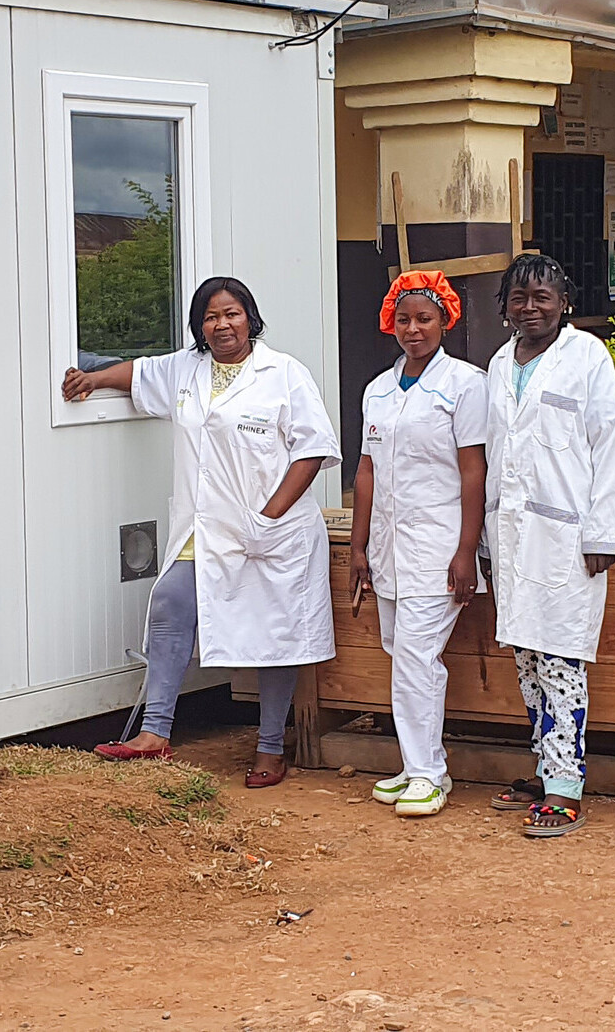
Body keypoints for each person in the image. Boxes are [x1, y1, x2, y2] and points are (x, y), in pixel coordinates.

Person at [61, 276, 339, 788]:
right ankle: (154, 733)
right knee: (170, 600)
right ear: (199, 326)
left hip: (271, 530)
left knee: (275, 635)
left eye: (231, 313)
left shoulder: (284, 374)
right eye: (211, 317)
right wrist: (94, 380)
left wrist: (270, 517)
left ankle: (271, 748)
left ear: (249, 317)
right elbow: (138, 373)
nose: (222, 324)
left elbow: (313, 449)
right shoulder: (186, 369)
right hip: (206, 525)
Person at [482, 253, 615, 837]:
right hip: (512, 536)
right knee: (525, 656)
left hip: (570, 538)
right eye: (519, 298)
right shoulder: (498, 363)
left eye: (542, 296)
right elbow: (495, 456)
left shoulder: (587, 356)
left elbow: (611, 444)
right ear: (505, 307)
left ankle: (566, 788)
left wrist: (602, 533)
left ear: (563, 301)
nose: (530, 307)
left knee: (561, 658)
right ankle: (547, 767)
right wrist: (487, 543)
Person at [349, 270, 488, 818]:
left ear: (445, 320)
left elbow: (473, 472)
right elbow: (366, 471)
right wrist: (358, 548)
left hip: (438, 545)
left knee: (415, 656)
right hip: (386, 546)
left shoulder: (464, 385)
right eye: (403, 319)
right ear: (391, 323)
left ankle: (430, 773)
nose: (413, 329)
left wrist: (466, 551)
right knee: (398, 651)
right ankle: (414, 764)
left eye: (424, 319)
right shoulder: (377, 390)